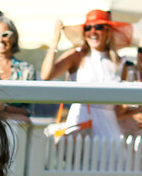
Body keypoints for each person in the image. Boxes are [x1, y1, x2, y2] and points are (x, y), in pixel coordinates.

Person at [41, 9, 132, 139]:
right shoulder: (76, 55)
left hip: (110, 128)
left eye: (98, 27)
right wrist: (55, 40)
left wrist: (134, 110)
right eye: (88, 28)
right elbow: (46, 75)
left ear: (108, 31)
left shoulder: (120, 63)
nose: (92, 32)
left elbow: (120, 109)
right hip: (80, 123)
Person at [117, 31, 142, 138]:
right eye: (141, 50)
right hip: (127, 136)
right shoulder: (130, 71)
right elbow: (118, 113)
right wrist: (134, 115)